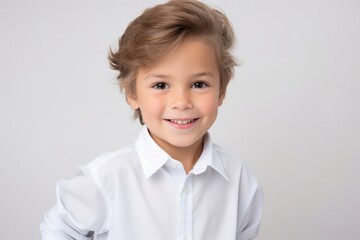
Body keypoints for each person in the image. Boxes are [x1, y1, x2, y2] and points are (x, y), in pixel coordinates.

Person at [40, 0, 263, 239]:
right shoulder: (108, 177)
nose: (181, 101)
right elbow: (59, 229)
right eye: (160, 85)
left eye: (199, 84)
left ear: (222, 89)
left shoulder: (239, 179)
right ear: (132, 93)